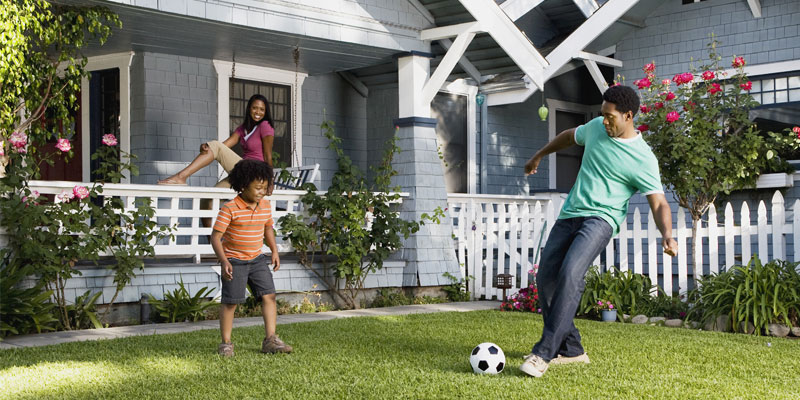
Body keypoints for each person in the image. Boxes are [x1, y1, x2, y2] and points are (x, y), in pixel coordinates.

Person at [519, 85, 678, 377]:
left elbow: (659, 203)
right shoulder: (595, 128)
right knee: (546, 279)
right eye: (603, 115)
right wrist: (539, 156)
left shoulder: (643, 158)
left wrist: (667, 234)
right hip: (570, 214)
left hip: (600, 220)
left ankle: (543, 353)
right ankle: (573, 350)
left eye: (610, 116)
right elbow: (569, 136)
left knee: (570, 274)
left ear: (628, 116)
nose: (604, 121)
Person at [211, 159, 291, 357]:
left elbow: (268, 228)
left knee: (269, 295)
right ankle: (226, 343)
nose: (262, 191)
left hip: (257, 259)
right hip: (235, 261)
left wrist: (274, 250)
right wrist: (224, 260)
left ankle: (271, 339)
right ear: (243, 185)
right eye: (258, 188)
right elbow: (216, 237)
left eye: (264, 187)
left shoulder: (265, 206)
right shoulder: (230, 208)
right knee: (231, 302)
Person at [158, 93, 275, 194]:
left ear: (266, 112)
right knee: (209, 200)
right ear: (249, 108)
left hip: (256, 172)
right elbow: (223, 147)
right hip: (242, 171)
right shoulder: (242, 129)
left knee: (215, 146)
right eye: (255, 108)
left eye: (262, 109)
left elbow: (268, 155)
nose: (258, 112)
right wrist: (207, 147)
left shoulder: (265, 126)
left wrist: (270, 182)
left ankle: (181, 177)